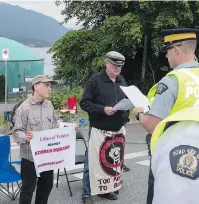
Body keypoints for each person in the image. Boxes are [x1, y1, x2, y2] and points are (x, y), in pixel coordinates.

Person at [132, 28, 199, 203]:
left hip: (172, 156)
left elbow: (153, 125)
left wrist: (139, 114)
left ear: (176, 49)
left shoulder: (173, 80)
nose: (166, 56)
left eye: (167, 51)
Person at [80, 51, 130, 204]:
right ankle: (87, 193)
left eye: (120, 66)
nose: (118, 69)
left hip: (117, 129)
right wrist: (103, 109)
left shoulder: (121, 80)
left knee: (112, 161)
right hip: (99, 128)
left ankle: (106, 190)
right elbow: (85, 103)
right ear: (107, 63)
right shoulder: (95, 80)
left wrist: (125, 118)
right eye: (115, 66)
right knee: (93, 160)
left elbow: (126, 101)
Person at [12, 75, 60, 204]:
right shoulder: (24, 107)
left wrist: (68, 130)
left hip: (47, 156)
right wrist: (26, 137)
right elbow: (17, 131)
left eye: (50, 85)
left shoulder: (49, 105)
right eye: (47, 85)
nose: (50, 88)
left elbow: (55, 125)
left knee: (46, 186)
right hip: (30, 157)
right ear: (36, 86)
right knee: (28, 189)